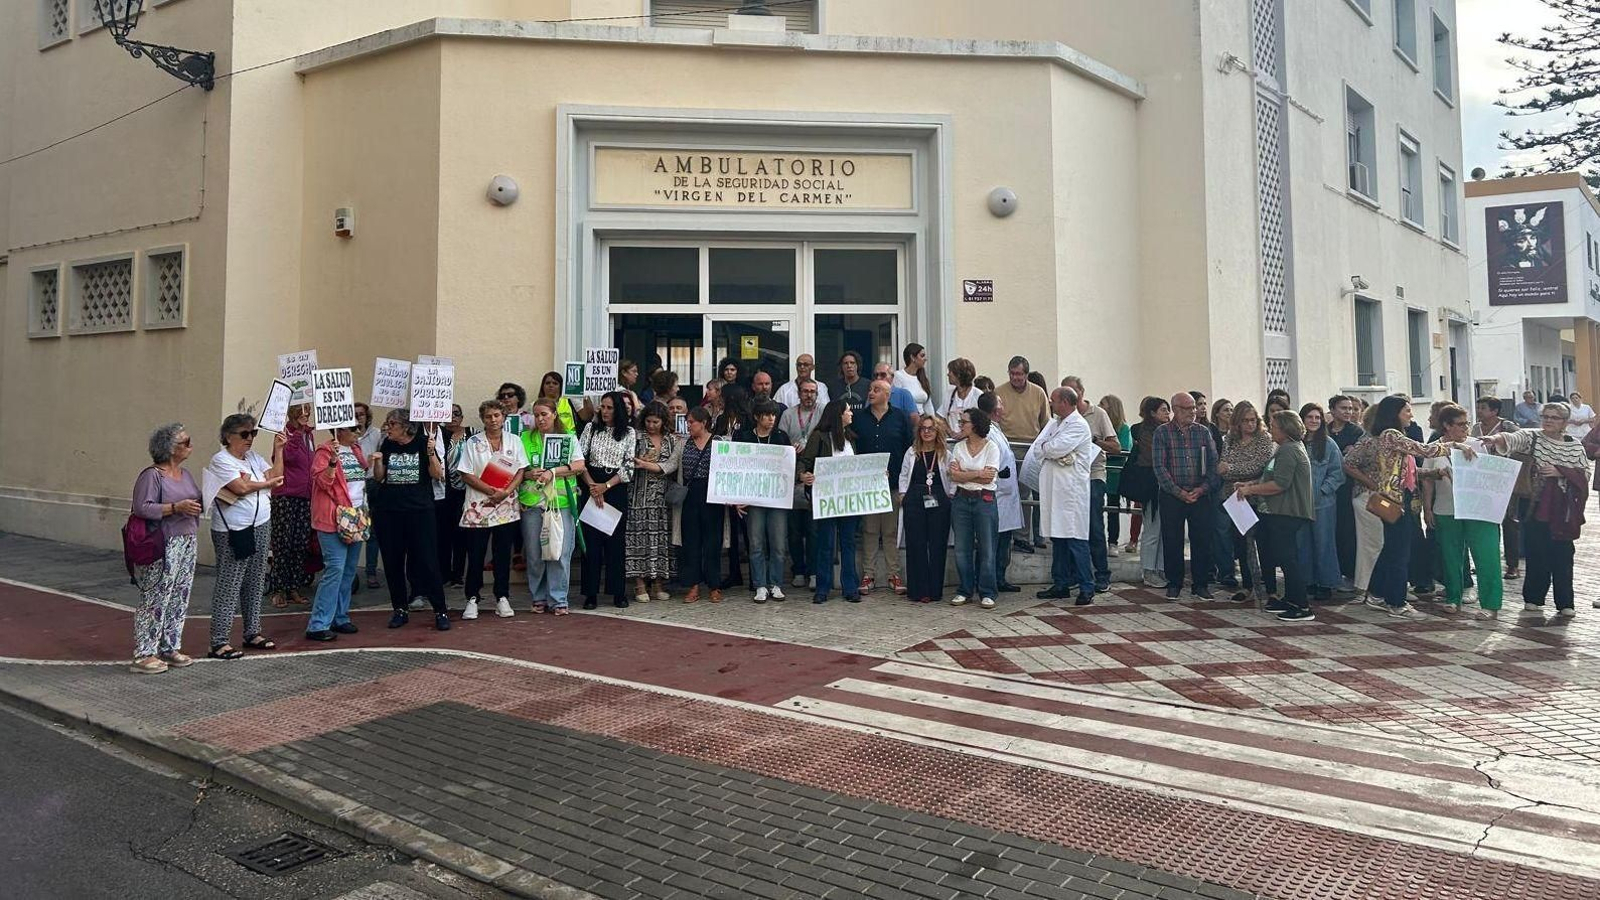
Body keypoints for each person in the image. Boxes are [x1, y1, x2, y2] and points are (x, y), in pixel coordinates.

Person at [1342, 396, 1474, 618]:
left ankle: (1377, 593)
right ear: (1394, 414)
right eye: (1407, 411)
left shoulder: (1391, 437)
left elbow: (1409, 471)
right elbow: (1424, 450)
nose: (1411, 415)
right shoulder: (1391, 435)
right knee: (1399, 552)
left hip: (1393, 498)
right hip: (1392, 500)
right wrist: (1454, 445)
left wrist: (1435, 472)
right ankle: (1397, 602)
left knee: (1390, 549)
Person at [1481, 402, 1593, 618]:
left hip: (1563, 509)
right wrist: (1494, 439)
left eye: (1554, 417)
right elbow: (1512, 439)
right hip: (1534, 503)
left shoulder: (1575, 446)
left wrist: (1560, 471)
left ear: (1564, 422)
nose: (1549, 420)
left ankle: (1565, 602)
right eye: (1546, 416)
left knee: (1563, 553)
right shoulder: (1532, 437)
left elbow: (1584, 474)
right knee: (1536, 550)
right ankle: (1533, 598)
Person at [201, 414, 284, 659]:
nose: (250, 439)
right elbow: (240, 488)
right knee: (230, 583)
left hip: (260, 523)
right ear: (228, 436)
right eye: (244, 434)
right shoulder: (221, 460)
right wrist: (260, 484)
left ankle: (252, 631)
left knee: (256, 580)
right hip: (234, 529)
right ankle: (218, 641)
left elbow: (276, 478)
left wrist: (278, 451)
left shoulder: (253, 459)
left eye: (253, 434)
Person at [128, 424, 204, 674]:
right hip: (163, 542)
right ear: (170, 449)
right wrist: (175, 508)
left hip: (187, 539)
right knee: (155, 596)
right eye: (185, 441)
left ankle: (170, 646)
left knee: (179, 594)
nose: (190, 445)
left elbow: (195, 498)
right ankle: (144, 652)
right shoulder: (152, 476)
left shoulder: (186, 474)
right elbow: (142, 507)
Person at [369, 410, 451, 630]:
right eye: (387, 422)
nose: (388, 427)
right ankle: (400, 609)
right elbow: (380, 477)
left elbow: (437, 475)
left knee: (427, 560)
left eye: (392, 423)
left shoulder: (424, 442)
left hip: (420, 511)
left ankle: (440, 610)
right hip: (390, 512)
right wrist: (377, 462)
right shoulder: (387, 444)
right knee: (393, 562)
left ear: (406, 426)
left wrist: (432, 453)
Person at [1234, 410, 1316, 622]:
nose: (1271, 430)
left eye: (1275, 426)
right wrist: (1250, 484)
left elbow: (1280, 484)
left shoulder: (1289, 450)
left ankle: (1301, 605)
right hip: (1277, 512)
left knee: (1288, 558)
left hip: (1287, 512)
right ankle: (1289, 598)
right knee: (1282, 555)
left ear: (1285, 428)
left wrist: (1251, 491)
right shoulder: (1283, 449)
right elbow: (1269, 475)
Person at [1422, 403, 1503, 619]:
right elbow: (1428, 480)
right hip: (1446, 507)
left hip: (1476, 508)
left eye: (1467, 423)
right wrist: (1427, 507)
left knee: (1486, 555)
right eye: (1460, 424)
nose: (1465, 428)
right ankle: (1453, 598)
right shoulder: (1434, 448)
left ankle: (1490, 604)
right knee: (1450, 556)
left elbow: (1487, 474)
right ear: (1447, 426)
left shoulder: (1476, 445)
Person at [455, 400, 528, 620]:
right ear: (483, 419)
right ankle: (472, 598)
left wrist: (506, 492)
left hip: (506, 506)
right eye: (488, 416)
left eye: (497, 415)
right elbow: (465, 473)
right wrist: (490, 490)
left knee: (502, 554)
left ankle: (502, 597)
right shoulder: (472, 442)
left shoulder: (514, 441)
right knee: (476, 555)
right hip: (479, 506)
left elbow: (521, 470)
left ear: (504, 417)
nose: (493, 420)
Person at [519, 399, 586, 615]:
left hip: (561, 503)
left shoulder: (567, 437)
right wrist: (529, 474)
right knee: (534, 553)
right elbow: (517, 469)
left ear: (555, 414)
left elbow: (578, 465)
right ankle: (539, 597)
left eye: (544, 414)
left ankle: (559, 599)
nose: (540, 419)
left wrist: (553, 471)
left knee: (560, 551)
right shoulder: (525, 438)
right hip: (532, 502)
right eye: (536, 415)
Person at [306, 421, 370, 641]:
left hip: (355, 515)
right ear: (340, 430)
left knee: (348, 571)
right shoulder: (324, 452)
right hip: (332, 518)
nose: (358, 433)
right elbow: (323, 482)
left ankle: (339, 617)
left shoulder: (355, 450)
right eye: (354, 429)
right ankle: (318, 624)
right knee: (335, 569)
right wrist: (333, 461)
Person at [1032, 388, 1097, 604]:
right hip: (1054, 490)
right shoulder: (1055, 423)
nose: (1051, 404)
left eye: (1054, 401)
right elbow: (1038, 449)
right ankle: (1060, 583)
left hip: (1071, 493)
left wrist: (1049, 449)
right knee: (1058, 538)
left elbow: (1054, 447)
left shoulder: (1078, 425)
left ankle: (1087, 586)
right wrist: (1049, 449)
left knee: (1076, 539)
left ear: (1066, 402)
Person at [1154, 391, 1219, 601]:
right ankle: (1175, 582)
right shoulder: (1162, 433)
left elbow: (1213, 462)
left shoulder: (1203, 432)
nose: (1193, 412)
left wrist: (1202, 489)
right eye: (1188, 408)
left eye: (1194, 408)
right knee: (1172, 539)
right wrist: (1179, 492)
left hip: (1200, 493)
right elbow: (1159, 467)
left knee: (1202, 539)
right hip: (1173, 495)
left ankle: (1201, 584)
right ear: (1175, 410)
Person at [578, 391, 638, 609]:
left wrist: (606, 486)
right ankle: (590, 593)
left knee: (615, 543)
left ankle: (618, 592)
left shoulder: (629, 433)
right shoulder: (590, 429)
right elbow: (579, 459)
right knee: (591, 544)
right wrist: (593, 486)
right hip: (591, 483)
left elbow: (629, 466)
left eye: (609, 408)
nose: (604, 411)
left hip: (615, 486)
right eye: (602, 407)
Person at [799, 399, 862, 604]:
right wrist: (803, 475)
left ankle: (850, 587)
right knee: (825, 544)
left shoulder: (851, 438)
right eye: (848, 411)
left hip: (848, 499)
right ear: (838, 415)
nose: (851, 414)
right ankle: (823, 588)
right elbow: (805, 462)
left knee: (848, 543)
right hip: (827, 498)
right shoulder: (820, 437)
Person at [855, 379, 913, 595]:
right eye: (870, 389)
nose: (870, 392)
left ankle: (893, 575)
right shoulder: (859, 418)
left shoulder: (900, 418)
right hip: (867, 484)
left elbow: (909, 449)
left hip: (893, 484)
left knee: (890, 532)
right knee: (869, 530)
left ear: (887, 394)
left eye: (876, 390)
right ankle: (868, 574)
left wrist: (903, 481)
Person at [1062, 376, 1120, 592]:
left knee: (1094, 525)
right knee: (1071, 526)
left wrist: (1094, 441)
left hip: (1094, 475)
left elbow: (1116, 446)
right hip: (1069, 477)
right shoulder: (1063, 416)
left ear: (1082, 392)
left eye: (1073, 391)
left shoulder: (1099, 414)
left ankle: (1102, 574)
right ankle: (1075, 573)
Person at [735, 400, 792, 603]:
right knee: (756, 543)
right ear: (757, 417)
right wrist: (737, 499)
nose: (771, 419)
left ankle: (776, 584)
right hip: (753, 499)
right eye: (767, 415)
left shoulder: (781, 437)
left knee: (778, 543)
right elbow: (736, 468)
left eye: (773, 416)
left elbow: (787, 467)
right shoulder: (744, 437)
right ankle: (759, 584)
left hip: (776, 498)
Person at [625, 401, 679, 604]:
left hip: (662, 500)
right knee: (638, 541)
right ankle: (639, 584)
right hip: (638, 497)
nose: (651, 425)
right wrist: (637, 462)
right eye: (648, 421)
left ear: (664, 422)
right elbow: (625, 461)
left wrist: (647, 464)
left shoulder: (671, 440)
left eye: (655, 422)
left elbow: (672, 465)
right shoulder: (636, 438)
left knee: (660, 542)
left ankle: (658, 583)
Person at [1217, 401, 1273, 595]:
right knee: (1241, 543)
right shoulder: (1230, 440)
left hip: (1257, 497)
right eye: (1246, 421)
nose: (1250, 424)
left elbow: (1259, 466)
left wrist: (1233, 468)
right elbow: (1222, 470)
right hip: (1235, 498)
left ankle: (1267, 586)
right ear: (1237, 423)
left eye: (1253, 420)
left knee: (1261, 543)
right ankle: (1248, 585)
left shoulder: (1264, 439)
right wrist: (1231, 470)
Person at [948, 407, 1002, 609]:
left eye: (964, 422)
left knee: (987, 548)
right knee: (962, 548)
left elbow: (990, 476)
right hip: (962, 499)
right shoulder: (959, 447)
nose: (960, 425)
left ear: (976, 425)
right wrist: (977, 473)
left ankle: (987, 591)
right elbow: (954, 475)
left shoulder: (991, 448)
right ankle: (965, 589)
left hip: (984, 500)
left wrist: (966, 473)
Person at [899, 415, 954, 603]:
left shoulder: (945, 453)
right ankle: (918, 590)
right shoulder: (912, 452)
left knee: (938, 545)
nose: (927, 432)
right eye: (923, 428)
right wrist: (903, 495)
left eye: (931, 428)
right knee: (916, 545)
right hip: (915, 500)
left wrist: (951, 495)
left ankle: (935, 590)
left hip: (939, 500)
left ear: (937, 431)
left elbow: (952, 476)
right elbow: (904, 474)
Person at [265, 404, 316, 609]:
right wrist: (295, 434)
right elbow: (288, 457)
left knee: (300, 543)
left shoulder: (309, 435)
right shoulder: (285, 433)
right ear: (292, 413)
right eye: (301, 410)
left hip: (305, 496)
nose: (305, 414)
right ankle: (278, 589)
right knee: (283, 543)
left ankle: (294, 585)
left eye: (308, 410)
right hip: (285, 495)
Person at [1297, 403, 1346, 601]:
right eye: (1310, 417)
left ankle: (1326, 583)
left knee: (1324, 543)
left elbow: (1338, 473)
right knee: (1303, 543)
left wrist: (1323, 490)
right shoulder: (1295, 444)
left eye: (1318, 418)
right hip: (1299, 504)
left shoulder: (1329, 444)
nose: (1314, 421)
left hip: (1323, 504)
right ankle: (1307, 581)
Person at [977, 392, 1024, 593]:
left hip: (1006, 494)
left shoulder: (996, 429)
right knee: (991, 542)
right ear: (996, 410)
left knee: (1003, 540)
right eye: (1001, 403)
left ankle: (999, 577)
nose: (1003, 407)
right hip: (998, 493)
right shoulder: (987, 432)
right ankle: (987, 580)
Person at [1472, 396, 1523, 580]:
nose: (1479, 411)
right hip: (1484, 480)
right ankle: (1488, 561)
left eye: (1483, 408)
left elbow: (1522, 444)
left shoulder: (1507, 427)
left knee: (1509, 522)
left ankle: (1512, 565)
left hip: (1505, 480)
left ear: (1494, 411)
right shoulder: (1476, 428)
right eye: (1478, 407)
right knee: (1486, 522)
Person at [780, 377, 823, 589]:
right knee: (794, 530)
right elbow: (780, 443)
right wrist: (791, 448)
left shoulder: (823, 413)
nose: (809, 395)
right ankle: (798, 569)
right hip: (793, 477)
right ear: (798, 393)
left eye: (812, 391)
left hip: (816, 477)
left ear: (817, 394)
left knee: (814, 530)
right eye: (805, 391)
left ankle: (814, 571)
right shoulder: (788, 415)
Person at [1123, 396, 1170, 586]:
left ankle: (1159, 568)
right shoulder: (1144, 432)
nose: (1168, 414)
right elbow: (1154, 457)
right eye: (1163, 410)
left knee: (1161, 530)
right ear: (1152, 413)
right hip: (1150, 486)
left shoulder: (1166, 431)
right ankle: (1149, 570)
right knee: (1152, 530)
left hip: (1163, 486)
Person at [713, 384, 752, 589]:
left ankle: (754, 575)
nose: (718, 398)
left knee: (747, 528)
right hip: (725, 476)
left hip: (743, 476)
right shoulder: (720, 420)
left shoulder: (747, 420)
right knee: (730, 527)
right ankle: (734, 572)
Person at [1326, 395, 1366, 593]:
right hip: (1326, 488)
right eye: (1343, 408)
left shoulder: (1356, 432)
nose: (1348, 412)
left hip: (1349, 488)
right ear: (1332, 410)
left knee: (1347, 531)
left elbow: (1355, 459)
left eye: (1351, 408)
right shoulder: (1324, 431)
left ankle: (1350, 573)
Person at [438, 403, 474, 587]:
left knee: (462, 535)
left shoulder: (472, 433)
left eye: (456, 414)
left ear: (462, 416)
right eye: (448, 414)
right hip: (444, 490)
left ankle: (458, 575)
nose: (452, 417)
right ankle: (444, 574)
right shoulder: (437, 435)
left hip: (467, 490)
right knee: (443, 534)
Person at [1099, 394, 1132, 555]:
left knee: (1113, 508)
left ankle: (1113, 542)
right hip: (1099, 471)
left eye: (1103, 404)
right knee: (1097, 508)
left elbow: (1124, 449)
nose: (1099, 406)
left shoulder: (1123, 428)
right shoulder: (1099, 425)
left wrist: (1103, 449)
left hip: (1114, 473)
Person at [942, 357, 981, 435]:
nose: (948, 374)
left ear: (959, 375)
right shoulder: (949, 394)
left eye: (950, 371)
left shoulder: (978, 395)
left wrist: (965, 434)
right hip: (952, 440)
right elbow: (941, 418)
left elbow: (982, 421)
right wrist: (950, 432)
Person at [894, 343, 935, 415]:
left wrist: (933, 421)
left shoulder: (923, 378)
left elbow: (928, 405)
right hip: (907, 420)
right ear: (912, 357)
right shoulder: (899, 376)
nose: (925, 359)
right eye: (922, 356)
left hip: (922, 421)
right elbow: (896, 402)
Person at [831, 351, 870, 415]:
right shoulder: (834, 387)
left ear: (857, 365)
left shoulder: (868, 385)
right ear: (841, 367)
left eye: (852, 363)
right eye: (845, 363)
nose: (849, 366)